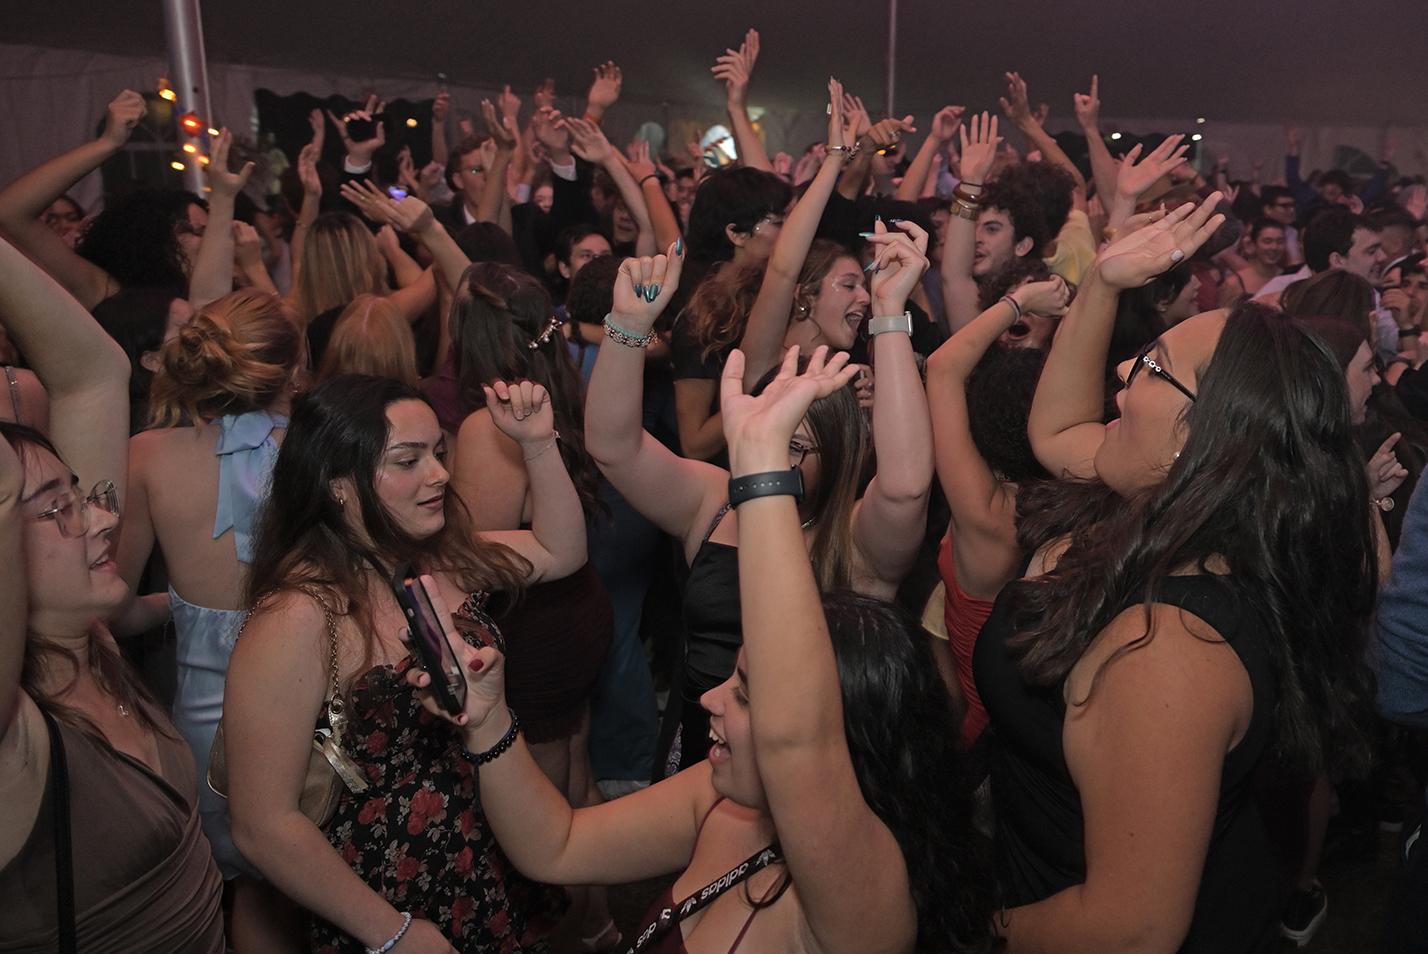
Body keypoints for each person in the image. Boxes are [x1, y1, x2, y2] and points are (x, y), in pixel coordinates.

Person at [404, 317, 997, 954]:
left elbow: (906, 490)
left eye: (744, 688)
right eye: (736, 679)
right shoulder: (724, 801)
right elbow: (555, 845)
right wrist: (487, 718)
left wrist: (885, 315)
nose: (716, 692)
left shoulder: (859, 888)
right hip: (721, 753)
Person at [977, 195, 1379, 951]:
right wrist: (1101, 282)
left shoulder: (1170, 646)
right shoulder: (1160, 501)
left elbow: (1131, 929)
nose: (1128, 366)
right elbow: (1055, 430)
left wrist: (954, 934)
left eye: (1155, 368)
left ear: (1204, 440)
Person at [224, 373, 584, 952]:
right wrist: (391, 934)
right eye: (409, 460)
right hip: (386, 895)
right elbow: (263, 824)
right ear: (338, 484)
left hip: (483, 856)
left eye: (437, 455)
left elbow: (560, 551)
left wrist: (538, 443)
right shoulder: (297, 617)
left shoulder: (435, 557)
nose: (440, 474)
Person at [586, 230, 934, 773]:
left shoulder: (860, 540)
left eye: (796, 447)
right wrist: (628, 328)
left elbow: (907, 486)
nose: (776, 463)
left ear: (839, 453)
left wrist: (889, 312)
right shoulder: (715, 502)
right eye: (764, 441)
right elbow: (613, 447)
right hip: (699, 747)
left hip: (807, 768)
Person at [0, 234, 224, 950]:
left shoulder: (85, 637)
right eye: (56, 506)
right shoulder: (15, 731)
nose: (101, 515)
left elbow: (95, 372)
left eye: (79, 491)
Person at [446, 261, 620, 950]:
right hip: (578, 611)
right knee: (577, 780)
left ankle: (562, 935)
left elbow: (481, 569)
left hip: (537, 625)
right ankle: (602, 924)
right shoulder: (555, 387)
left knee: (544, 820)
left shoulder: (485, 430)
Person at [115, 291, 305, 893]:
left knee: (235, 895)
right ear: (292, 372)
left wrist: (189, 607)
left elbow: (110, 609)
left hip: (202, 722)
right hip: (308, 708)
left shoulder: (145, 456)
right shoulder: (318, 452)